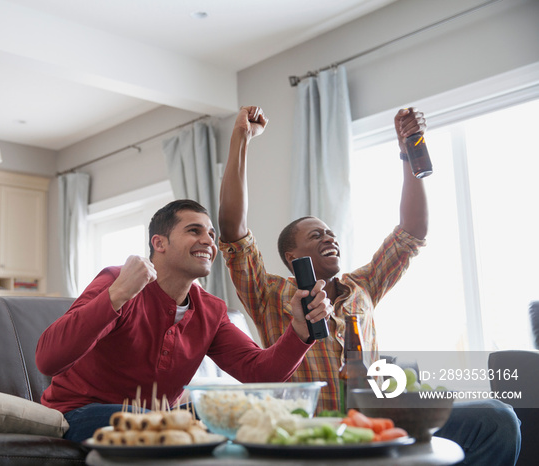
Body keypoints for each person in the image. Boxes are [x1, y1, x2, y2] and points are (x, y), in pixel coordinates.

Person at [218, 106, 521, 465]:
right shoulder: (269, 294)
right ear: (291, 254)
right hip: (319, 434)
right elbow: (233, 231)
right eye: (316, 235)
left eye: (331, 232)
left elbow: (411, 233)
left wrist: (409, 150)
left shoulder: (362, 286)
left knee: (497, 417)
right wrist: (241, 138)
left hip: (378, 421)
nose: (330, 237)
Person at [36, 199, 332, 443]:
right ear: (159, 243)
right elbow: (47, 360)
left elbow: (259, 373)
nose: (208, 241)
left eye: (212, 235)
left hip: (164, 421)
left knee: (253, 415)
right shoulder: (118, 281)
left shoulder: (211, 310)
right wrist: (117, 295)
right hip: (79, 413)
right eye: (194, 231)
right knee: (166, 425)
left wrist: (299, 331)